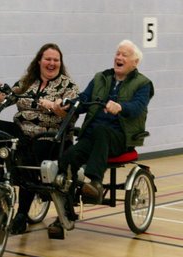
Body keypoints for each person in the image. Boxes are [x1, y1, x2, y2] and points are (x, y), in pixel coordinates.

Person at [48, 39, 154, 235]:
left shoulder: (143, 84)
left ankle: (96, 183)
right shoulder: (100, 78)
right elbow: (84, 98)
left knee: (101, 131)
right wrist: (69, 104)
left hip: (120, 138)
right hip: (93, 136)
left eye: (124, 55)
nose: (119, 57)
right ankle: (64, 214)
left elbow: (138, 107)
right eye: (117, 53)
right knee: (67, 159)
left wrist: (121, 106)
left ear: (135, 62)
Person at [0, 43, 80, 234]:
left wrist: (54, 106)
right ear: (39, 61)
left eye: (56, 60)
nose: (52, 63)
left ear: (60, 63)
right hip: (23, 132)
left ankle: (21, 214)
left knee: (31, 153)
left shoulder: (68, 86)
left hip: (51, 136)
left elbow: (71, 114)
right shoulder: (28, 82)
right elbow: (7, 97)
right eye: (48, 59)